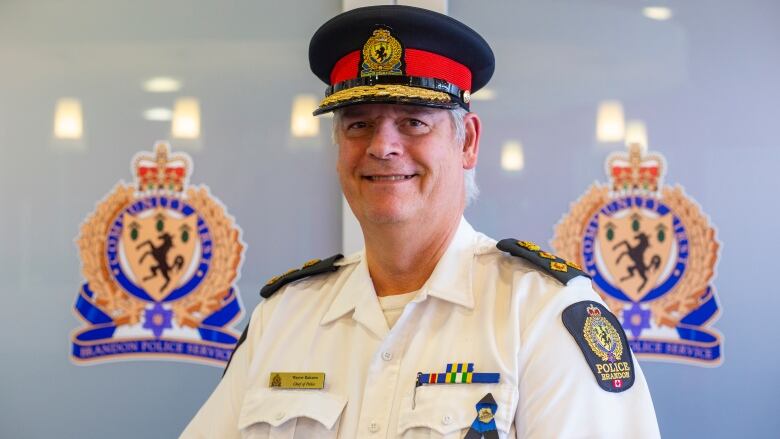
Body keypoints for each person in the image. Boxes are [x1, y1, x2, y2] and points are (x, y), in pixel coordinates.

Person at [181, 5, 660, 438]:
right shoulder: (284, 317)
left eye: (413, 121)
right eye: (357, 123)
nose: (381, 146)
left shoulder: (540, 314)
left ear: (467, 141)